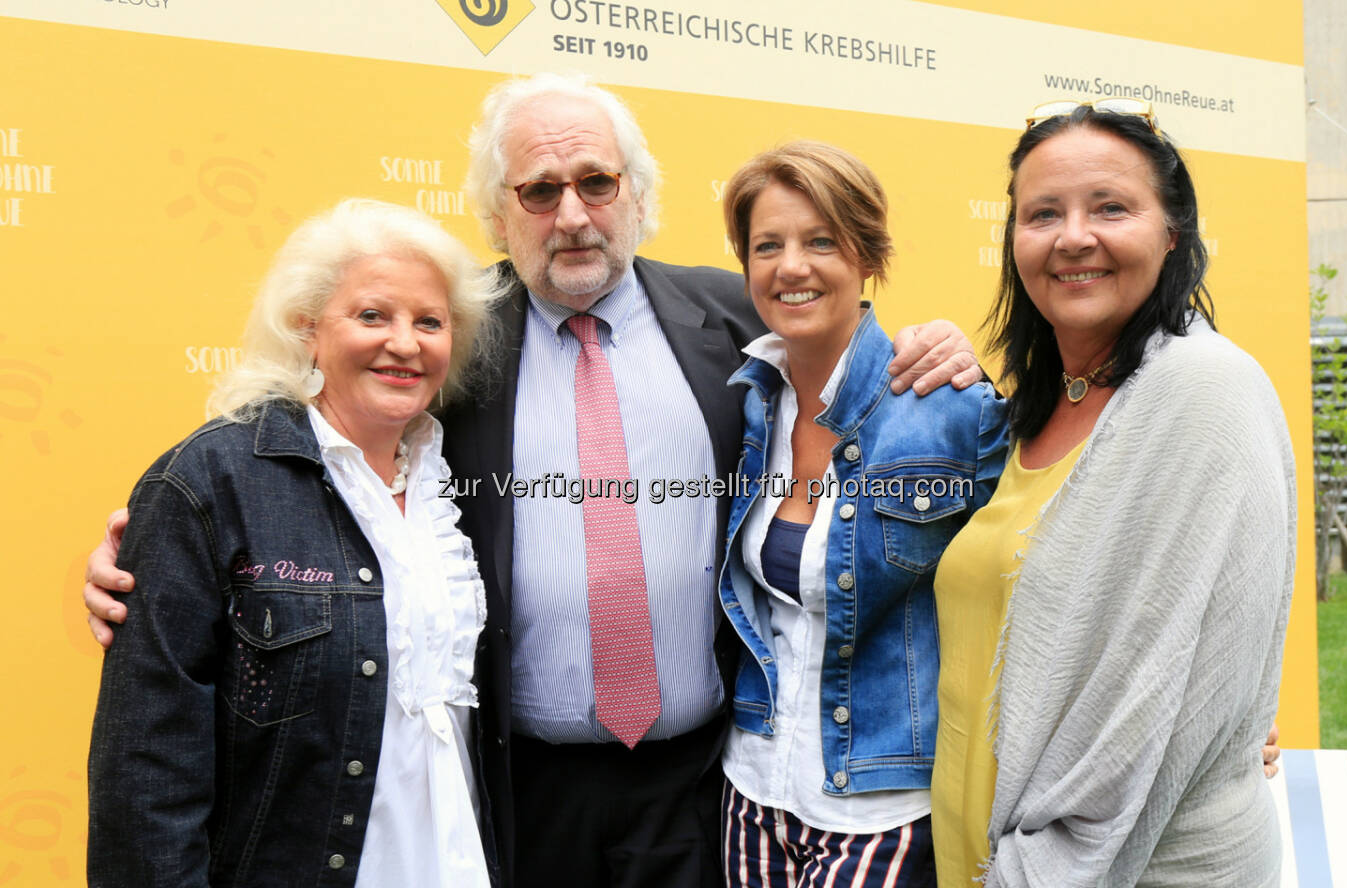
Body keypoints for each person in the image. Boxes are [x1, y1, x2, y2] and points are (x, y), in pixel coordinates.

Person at [83, 72, 984, 888]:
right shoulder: (451, 337)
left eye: (597, 182)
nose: (574, 214)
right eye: (540, 191)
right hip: (517, 790)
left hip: (703, 784)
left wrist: (935, 343)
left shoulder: (732, 315)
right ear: (497, 213)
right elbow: (315, 461)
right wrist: (169, 556)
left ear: (637, 193)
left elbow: (845, 360)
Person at [929, 99, 1296, 887]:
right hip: (983, 851)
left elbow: (1150, 702)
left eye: (1111, 208)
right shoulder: (1026, 411)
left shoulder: (1204, 390)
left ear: (1172, 233)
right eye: (1042, 214)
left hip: (1120, 867)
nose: (1072, 237)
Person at [87, 199, 504, 887]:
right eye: (372, 315)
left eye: (429, 321)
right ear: (308, 328)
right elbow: (146, 768)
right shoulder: (213, 480)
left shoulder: (452, 486)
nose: (405, 342)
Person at [715, 142, 1008, 887]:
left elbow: (1062, 570)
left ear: (868, 255)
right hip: (753, 785)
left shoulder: (950, 413)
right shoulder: (750, 405)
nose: (792, 267)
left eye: (821, 241)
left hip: (882, 804)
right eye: (767, 246)